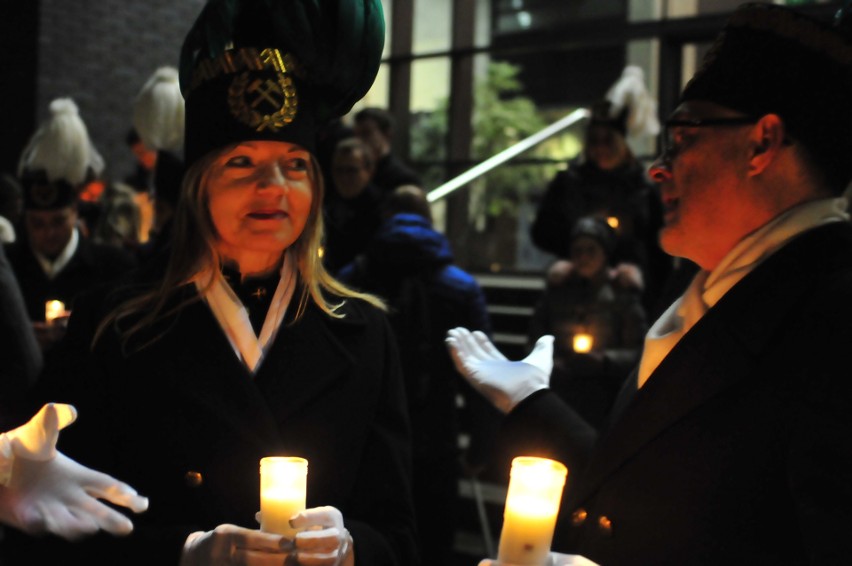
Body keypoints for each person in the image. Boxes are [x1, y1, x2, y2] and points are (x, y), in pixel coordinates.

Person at [8, 1, 416, 566]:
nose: (274, 186)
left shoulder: (366, 332)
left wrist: (351, 550)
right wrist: (185, 553)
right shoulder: (115, 325)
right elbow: (51, 533)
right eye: (242, 163)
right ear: (199, 188)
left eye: (295, 164)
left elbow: (399, 535)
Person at [447, 3, 852, 565]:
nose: (658, 168)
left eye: (682, 136)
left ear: (762, 143)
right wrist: (530, 399)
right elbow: (639, 478)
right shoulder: (713, 286)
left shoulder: (832, 316)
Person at [337, 184, 497, 565]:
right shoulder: (460, 285)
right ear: (428, 219)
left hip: (367, 434)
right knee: (435, 539)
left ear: (387, 217)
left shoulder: (354, 277)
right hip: (435, 433)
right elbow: (481, 372)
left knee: (375, 538)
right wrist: (481, 445)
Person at [530, 66, 670, 313]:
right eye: (594, 140)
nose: (600, 148)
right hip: (575, 293)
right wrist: (579, 251)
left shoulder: (643, 189)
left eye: (608, 140)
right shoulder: (568, 183)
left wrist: (639, 276)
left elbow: (659, 251)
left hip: (629, 298)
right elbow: (541, 232)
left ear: (622, 143)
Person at [4, 98, 138, 354]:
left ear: (75, 213)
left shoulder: (113, 267)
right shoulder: (10, 266)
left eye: (58, 221)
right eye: (37, 224)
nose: (48, 233)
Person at [526, 216, 647, 429]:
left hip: (605, 394)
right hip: (562, 391)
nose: (583, 257)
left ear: (604, 254)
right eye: (578, 250)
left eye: (591, 250)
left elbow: (639, 349)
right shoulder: (557, 293)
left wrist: (605, 361)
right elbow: (535, 338)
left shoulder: (621, 294)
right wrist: (553, 364)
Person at [322, 136, 384, 274]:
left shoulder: (383, 210)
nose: (344, 178)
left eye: (351, 170)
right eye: (339, 170)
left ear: (369, 171)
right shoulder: (326, 204)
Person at [353, 107, 422, 194]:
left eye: (366, 133)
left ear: (387, 134)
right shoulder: (351, 171)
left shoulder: (404, 179)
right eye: (356, 134)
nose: (359, 140)